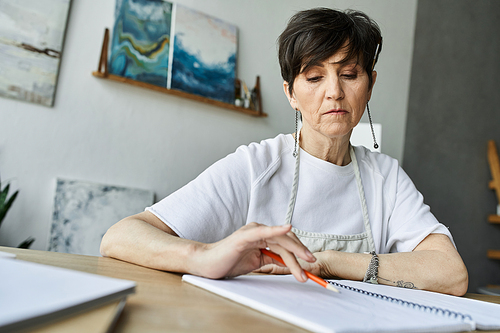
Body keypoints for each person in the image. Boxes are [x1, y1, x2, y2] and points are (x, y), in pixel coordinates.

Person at [100, 8, 468, 296]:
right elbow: (120, 236)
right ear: (291, 93)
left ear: (370, 86)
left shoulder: (386, 177)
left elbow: (450, 275)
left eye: (350, 74)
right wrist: (203, 256)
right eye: (314, 77)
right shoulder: (255, 165)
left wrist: (327, 262)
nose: (334, 92)